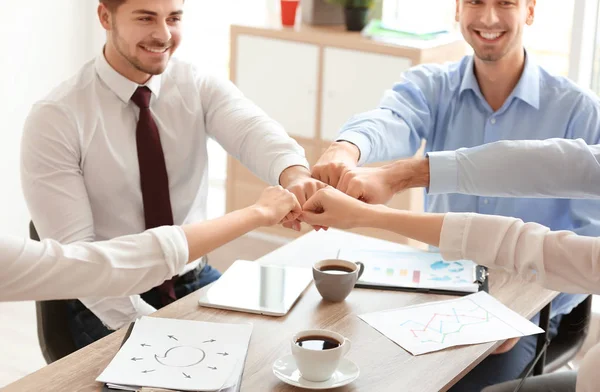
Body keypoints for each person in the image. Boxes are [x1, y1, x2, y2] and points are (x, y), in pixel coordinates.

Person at [311, 0, 600, 389]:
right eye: (476, 2)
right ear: (457, 10)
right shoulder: (432, 85)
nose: (489, 17)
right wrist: (346, 149)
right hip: (440, 296)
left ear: (530, 10)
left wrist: (522, 313)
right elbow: (392, 119)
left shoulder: (579, 111)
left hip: (525, 314)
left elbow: (587, 244)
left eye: (506, 3)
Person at [20, 0, 325, 350]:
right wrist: (153, 332)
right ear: (105, 16)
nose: (163, 34)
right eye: (146, 18)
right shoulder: (55, 119)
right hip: (106, 296)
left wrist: (295, 174)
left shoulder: (195, 83)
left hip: (191, 279)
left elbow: (251, 129)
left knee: (273, 352)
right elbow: (81, 269)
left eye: (174, 18)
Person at [3, 186, 300, 301]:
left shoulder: (192, 82)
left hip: (185, 276)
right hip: (115, 296)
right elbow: (97, 269)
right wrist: (255, 214)